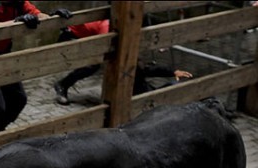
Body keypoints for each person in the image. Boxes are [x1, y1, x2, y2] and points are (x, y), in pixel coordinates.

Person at [0, 1, 72, 136]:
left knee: (18, 99)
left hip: (2, 55)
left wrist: (54, 17)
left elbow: (37, 15)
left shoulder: (18, 3)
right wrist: (16, 22)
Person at [53, 20, 192, 105]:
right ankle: (62, 85)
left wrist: (172, 71)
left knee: (131, 65)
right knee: (93, 65)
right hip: (71, 38)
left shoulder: (122, 29)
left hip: (91, 40)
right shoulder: (107, 28)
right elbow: (106, 51)